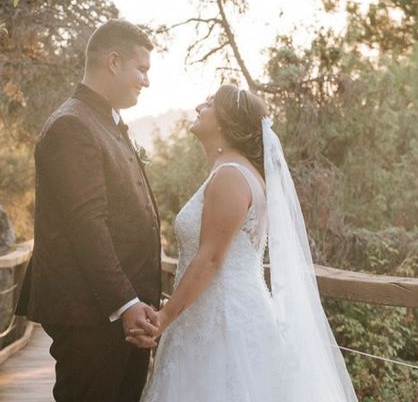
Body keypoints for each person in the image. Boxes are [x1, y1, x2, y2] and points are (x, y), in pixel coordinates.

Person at [131, 85, 358, 401]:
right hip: (209, 317)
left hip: (222, 325)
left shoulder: (230, 176)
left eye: (209, 103)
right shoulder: (233, 173)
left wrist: (164, 318)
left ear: (224, 122)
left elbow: (210, 258)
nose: (199, 106)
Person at [15, 19, 162, 402]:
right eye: (141, 69)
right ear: (113, 62)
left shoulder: (103, 120)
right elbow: (87, 225)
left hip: (120, 318)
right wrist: (126, 303)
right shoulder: (72, 125)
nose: (145, 81)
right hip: (91, 316)